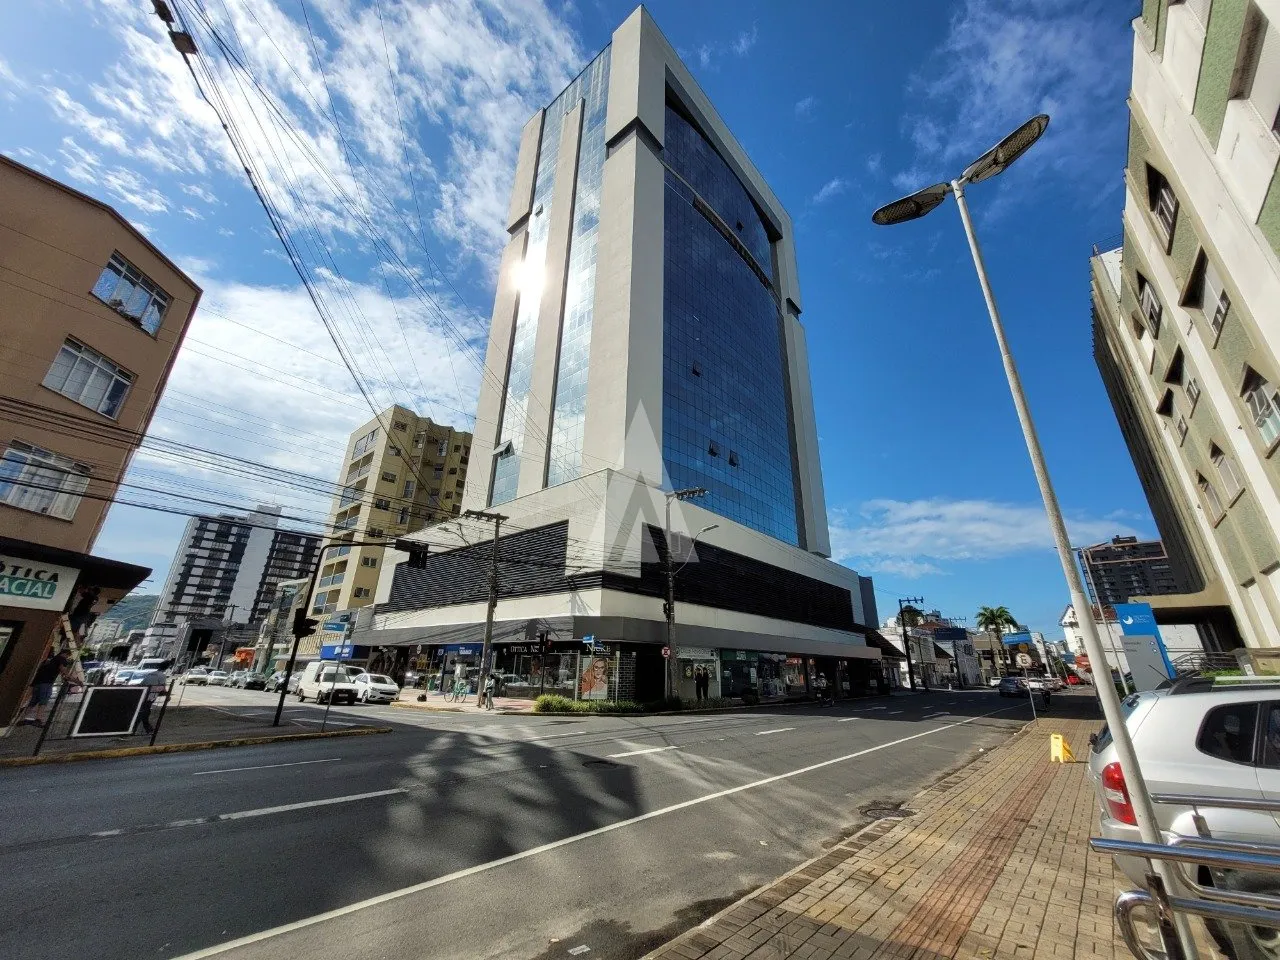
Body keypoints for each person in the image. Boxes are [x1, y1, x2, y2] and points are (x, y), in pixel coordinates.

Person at [20, 648, 74, 727]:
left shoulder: (49, 660)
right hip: (46, 683)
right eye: (68, 656)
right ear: (66, 654)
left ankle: (22, 719)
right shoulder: (62, 659)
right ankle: (38, 720)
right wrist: (76, 681)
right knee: (43, 701)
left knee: (33, 702)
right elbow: (64, 671)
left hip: (37, 683)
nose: (67, 658)